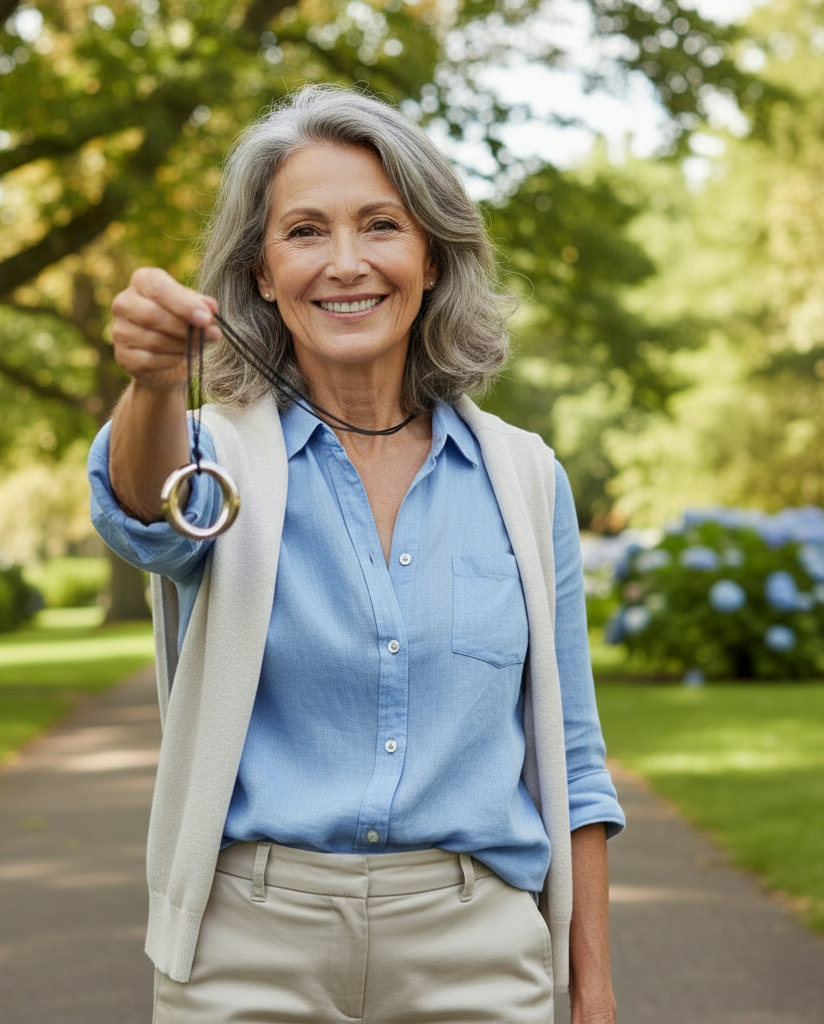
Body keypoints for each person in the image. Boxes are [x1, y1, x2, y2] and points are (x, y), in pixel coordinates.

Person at [89, 85, 625, 1024]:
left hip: (479, 951)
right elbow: (146, 511)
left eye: (381, 224)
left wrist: (594, 992)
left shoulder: (524, 478)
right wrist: (148, 387)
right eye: (304, 231)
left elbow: (573, 761)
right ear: (260, 271)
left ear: (430, 256)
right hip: (248, 945)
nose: (346, 263)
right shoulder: (217, 456)